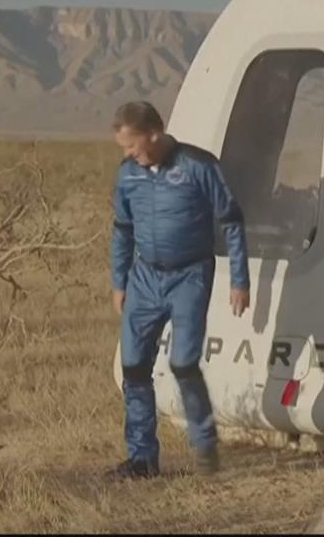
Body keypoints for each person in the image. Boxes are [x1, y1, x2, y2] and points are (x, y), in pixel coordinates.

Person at [108, 101, 251, 479]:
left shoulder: (198, 166)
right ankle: (142, 459)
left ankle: (204, 444)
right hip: (144, 278)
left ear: (153, 134)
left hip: (190, 275)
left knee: (184, 363)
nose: (128, 154)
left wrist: (239, 279)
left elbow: (231, 222)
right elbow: (122, 229)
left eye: (132, 145)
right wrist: (119, 281)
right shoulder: (128, 175)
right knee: (134, 367)